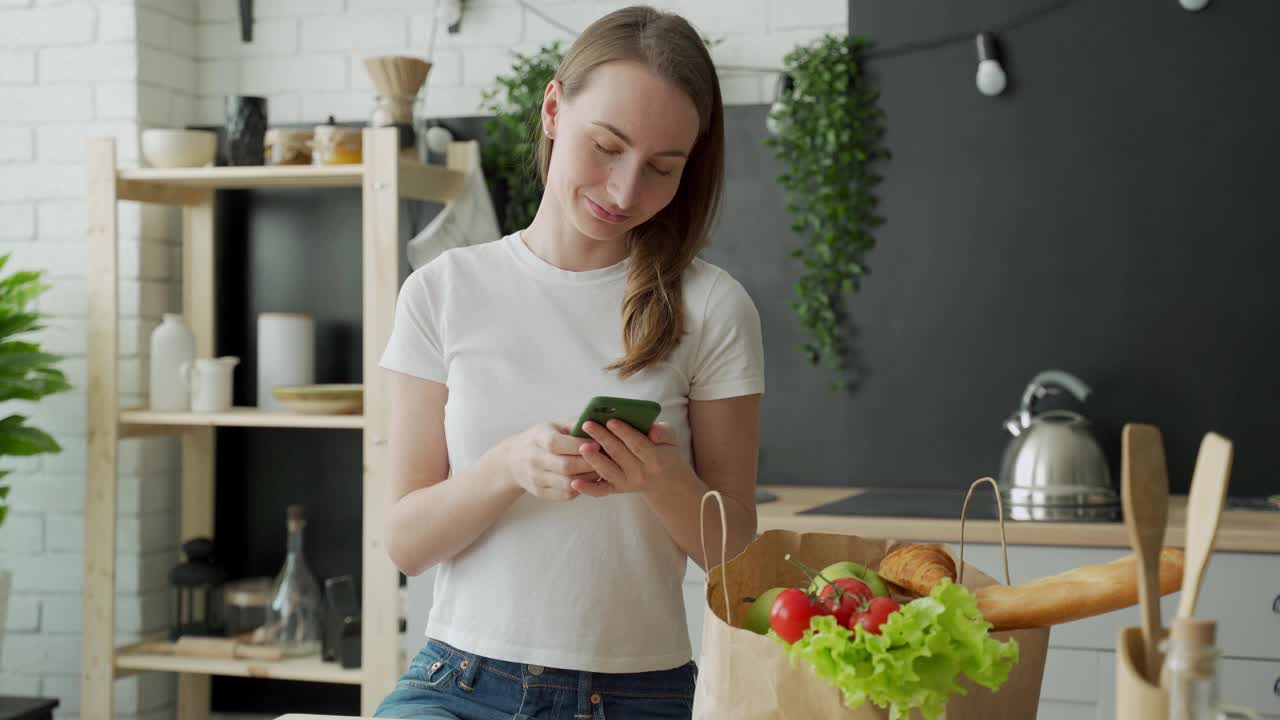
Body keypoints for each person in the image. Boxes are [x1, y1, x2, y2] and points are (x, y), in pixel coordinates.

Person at [374, 5, 764, 719]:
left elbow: (736, 560)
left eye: (662, 168)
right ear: (554, 108)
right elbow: (404, 542)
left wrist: (662, 479)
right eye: (607, 147)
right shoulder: (442, 289)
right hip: (457, 684)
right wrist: (505, 468)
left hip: (637, 695)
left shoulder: (713, 307)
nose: (624, 192)